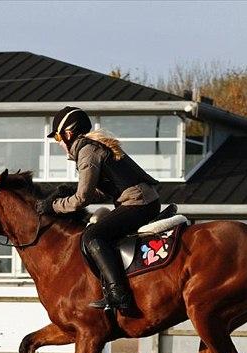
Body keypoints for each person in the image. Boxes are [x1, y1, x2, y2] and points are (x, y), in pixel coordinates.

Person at [36, 106, 161, 310]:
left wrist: (53, 206)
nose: (59, 144)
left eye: (58, 138)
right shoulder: (91, 147)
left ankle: (118, 294)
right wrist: (68, 195)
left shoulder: (87, 151)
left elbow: (82, 199)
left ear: (68, 133)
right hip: (142, 201)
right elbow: (102, 191)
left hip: (138, 203)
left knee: (92, 236)